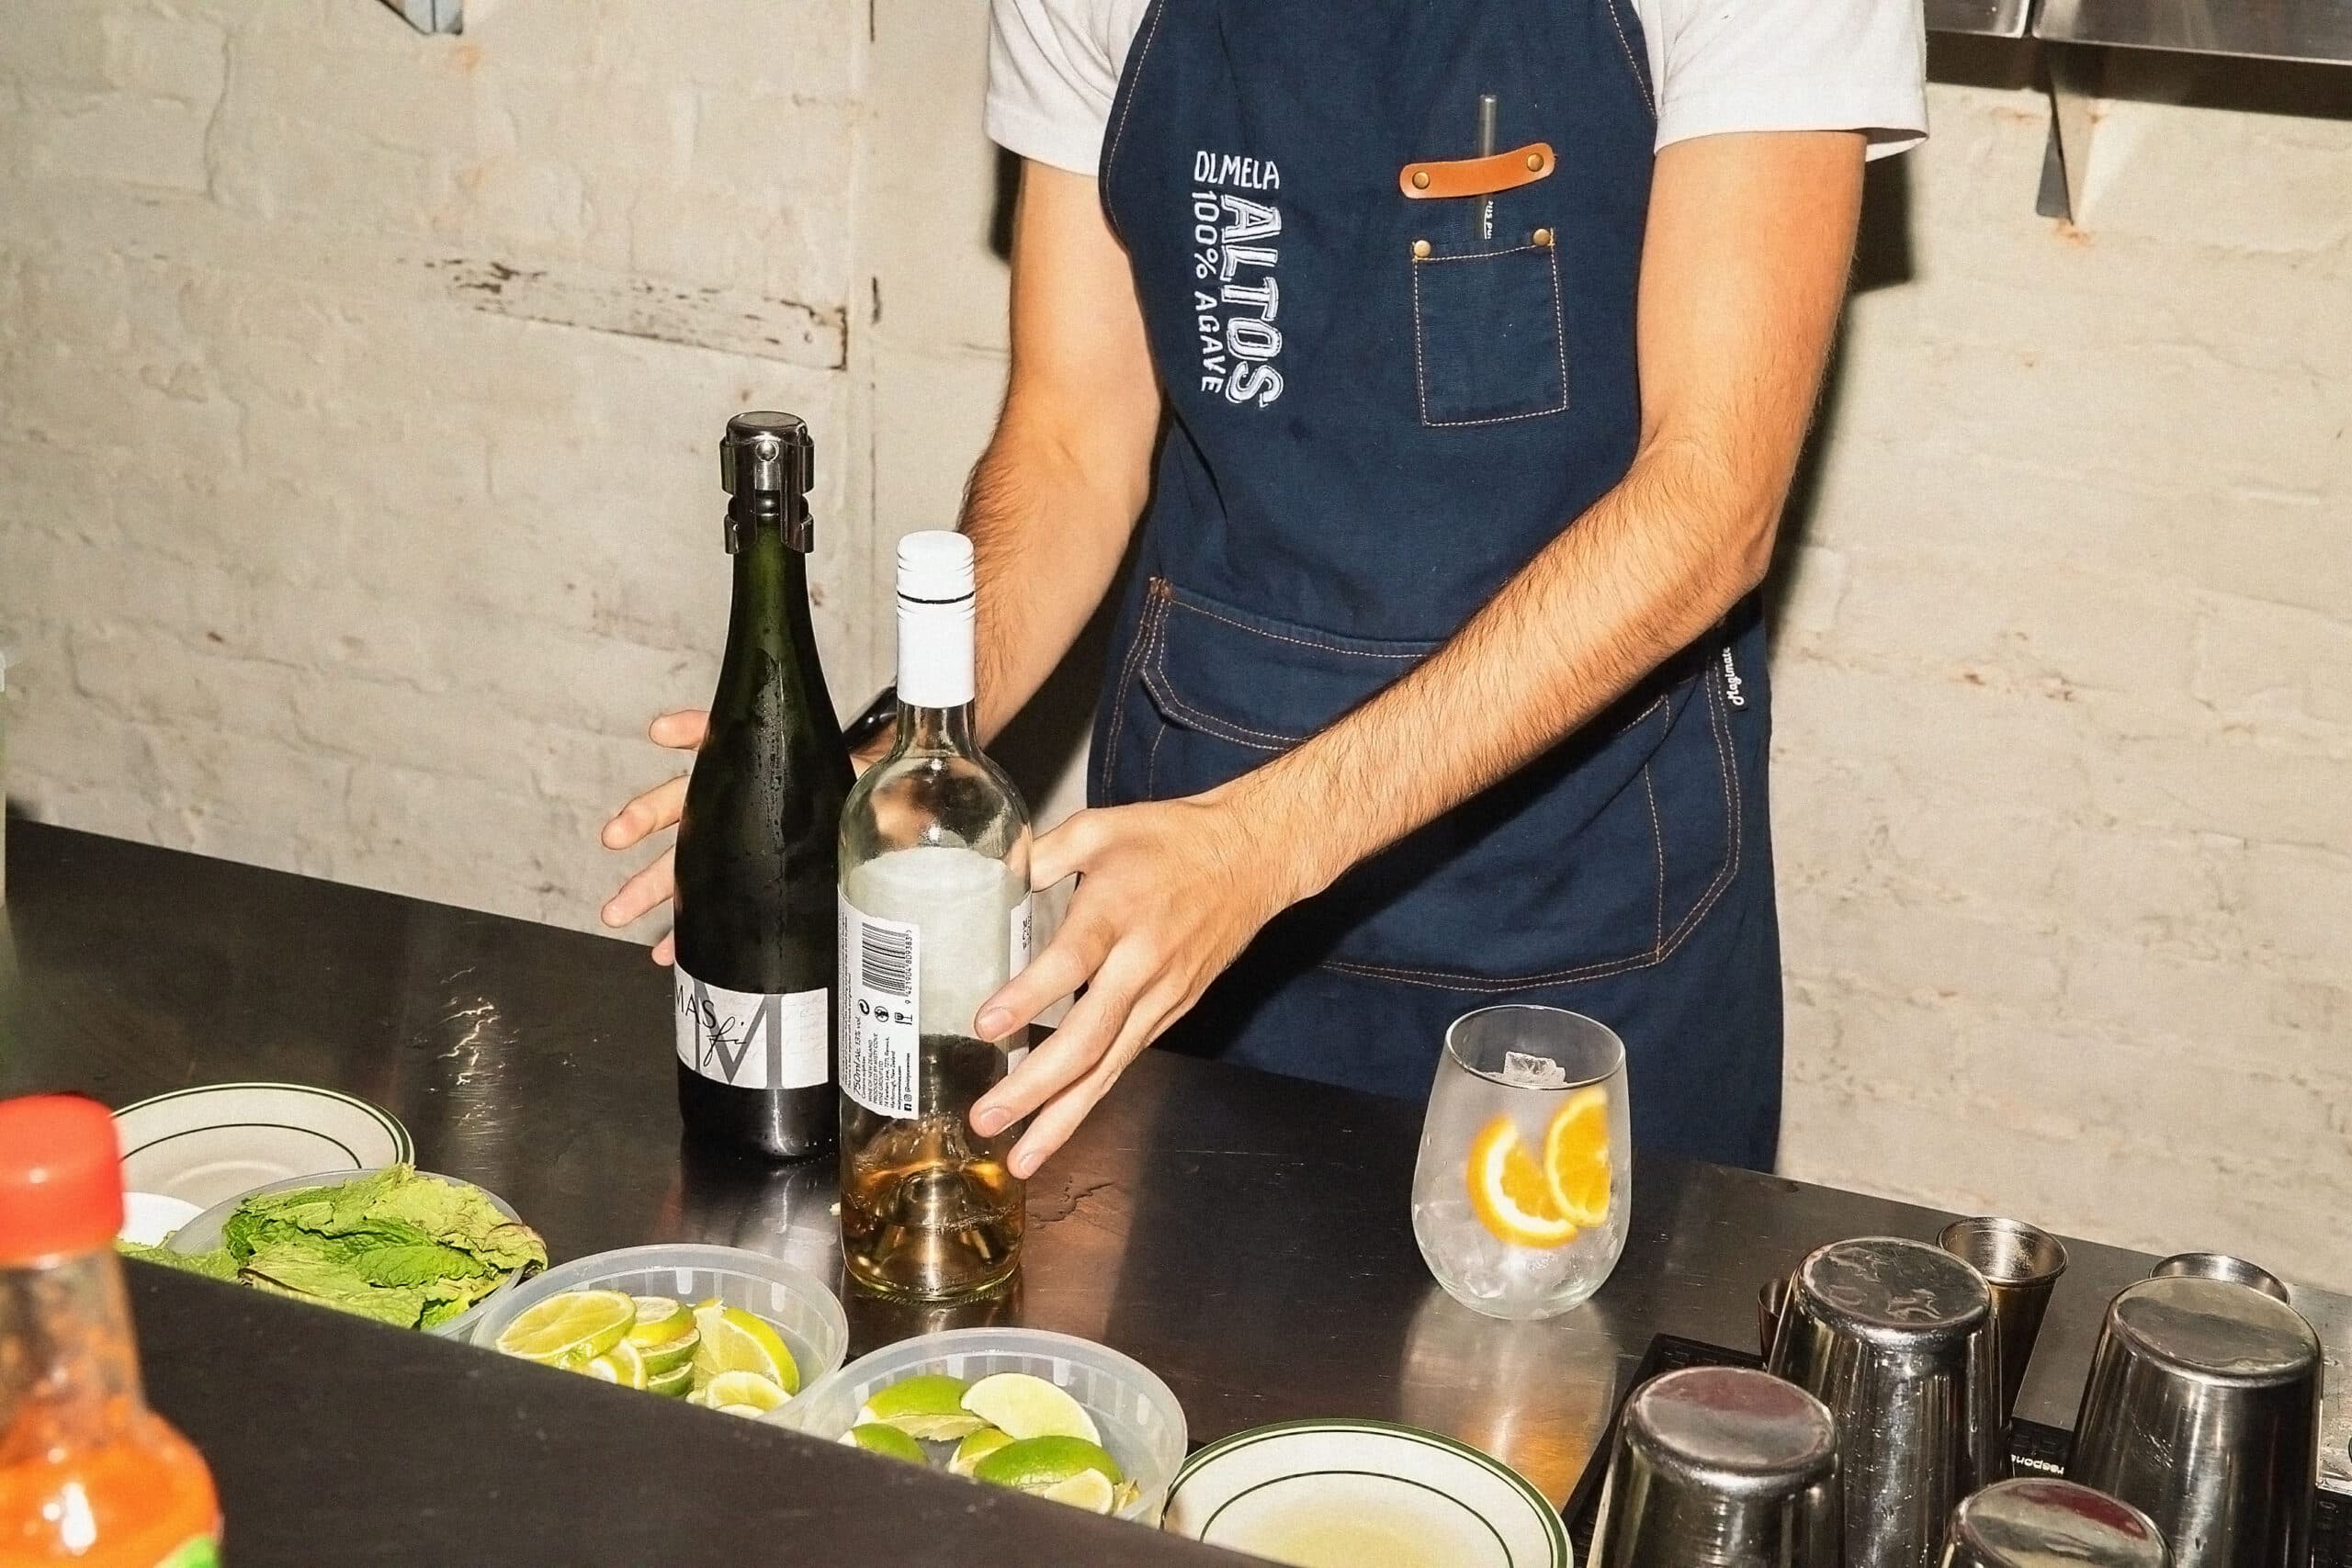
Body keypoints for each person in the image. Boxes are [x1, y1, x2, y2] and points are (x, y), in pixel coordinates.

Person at [604, 0, 1928, 1182]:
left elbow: (1710, 507)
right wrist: (902, 757)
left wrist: (1265, 845)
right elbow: (1071, 436)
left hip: (1579, 901)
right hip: (1185, 897)